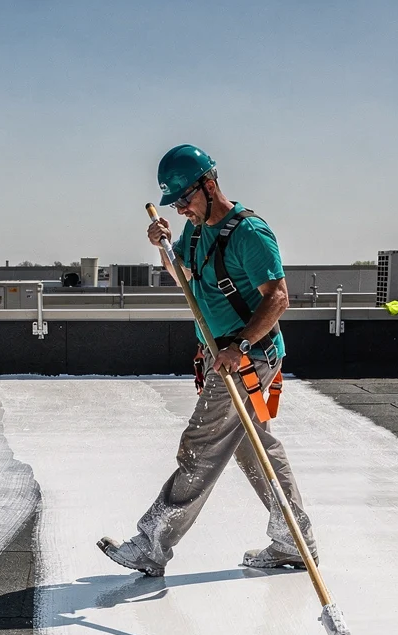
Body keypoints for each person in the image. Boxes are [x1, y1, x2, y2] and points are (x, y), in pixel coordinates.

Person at [98, 144, 316, 577]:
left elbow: (278, 298)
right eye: (175, 204)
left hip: (246, 358)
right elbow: (185, 275)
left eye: (185, 199)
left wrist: (239, 347)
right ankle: (294, 540)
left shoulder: (249, 233)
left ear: (209, 185)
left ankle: (152, 545)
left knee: (200, 445)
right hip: (224, 354)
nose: (181, 209)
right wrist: (164, 247)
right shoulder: (195, 232)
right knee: (255, 450)